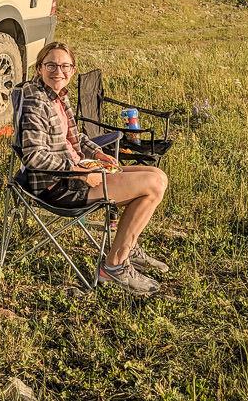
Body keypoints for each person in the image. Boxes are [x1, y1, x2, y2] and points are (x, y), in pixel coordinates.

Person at [16, 41, 169, 297]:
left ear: (73, 70)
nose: (58, 71)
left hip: (78, 172)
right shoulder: (36, 103)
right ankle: (115, 266)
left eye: (65, 66)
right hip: (59, 185)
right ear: (40, 68)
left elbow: (76, 137)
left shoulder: (58, 97)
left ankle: (127, 246)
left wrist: (98, 154)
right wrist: (78, 171)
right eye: (51, 65)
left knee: (157, 175)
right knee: (151, 187)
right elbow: (34, 156)